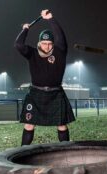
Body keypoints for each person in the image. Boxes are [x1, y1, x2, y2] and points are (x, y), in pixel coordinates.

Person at [14, 9, 75, 145]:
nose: (47, 46)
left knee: (61, 125)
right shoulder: (32, 53)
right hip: (36, 93)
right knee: (29, 125)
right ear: (39, 43)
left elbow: (61, 37)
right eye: (44, 43)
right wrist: (25, 30)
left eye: (49, 44)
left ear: (53, 44)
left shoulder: (60, 53)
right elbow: (18, 45)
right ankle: (23, 152)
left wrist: (51, 19)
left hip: (56, 93)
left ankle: (65, 151)